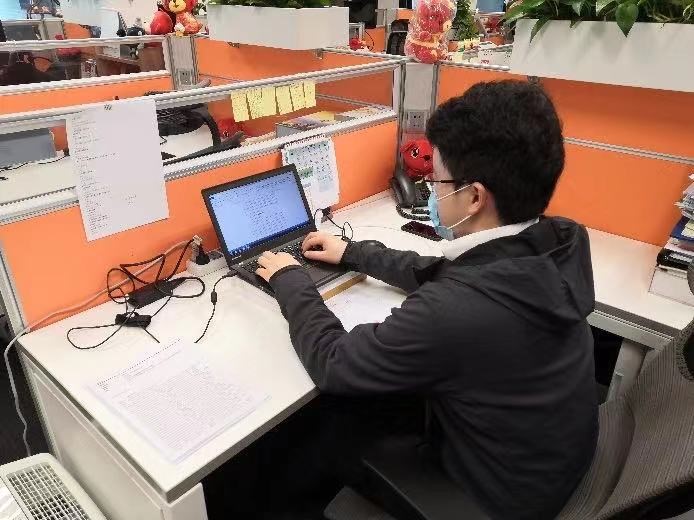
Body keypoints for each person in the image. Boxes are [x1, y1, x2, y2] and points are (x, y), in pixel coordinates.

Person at [253, 80, 598, 520]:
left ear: (473, 197)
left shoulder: (456, 310)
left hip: (493, 499)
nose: (429, 188)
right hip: (546, 461)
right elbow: (445, 271)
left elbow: (335, 362)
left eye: (435, 178)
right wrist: (355, 253)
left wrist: (290, 280)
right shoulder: (558, 241)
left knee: (314, 436)